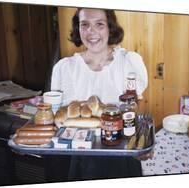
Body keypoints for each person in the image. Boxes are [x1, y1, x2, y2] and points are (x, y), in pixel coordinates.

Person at [51, 8, 152, 181]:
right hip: (81, 156)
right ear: (78, 29)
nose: (92, 32)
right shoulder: (65, 68)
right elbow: (62, 120)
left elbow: (133, 110)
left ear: (110, 28)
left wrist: (140, 142)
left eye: (99, 24)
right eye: (85, 25)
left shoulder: (128, 62)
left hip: (122, 155)